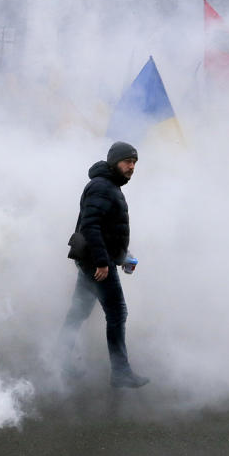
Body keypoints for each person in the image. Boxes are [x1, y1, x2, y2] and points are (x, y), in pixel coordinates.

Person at [59, 141, 149, 389]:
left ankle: (58, 359)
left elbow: (109, 230)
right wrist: (102, 261)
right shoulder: (102, 187)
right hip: (97, 264)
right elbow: (91, 226)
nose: (131, 166)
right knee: (118, 313)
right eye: (127, 161)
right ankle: (121, 372)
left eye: (134, 162)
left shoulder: (109, 186)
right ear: (114, 162)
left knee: (78, 312)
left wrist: (123, 257)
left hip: (94, 261)